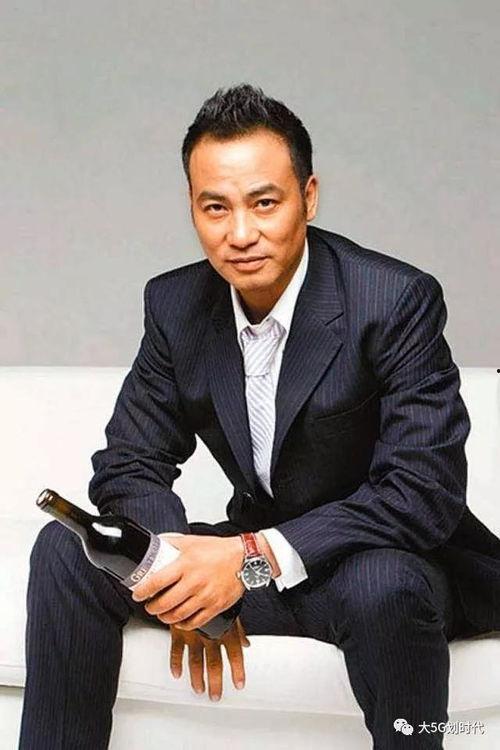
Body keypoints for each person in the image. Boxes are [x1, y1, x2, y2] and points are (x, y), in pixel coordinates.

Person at [19, 83, 500, 750]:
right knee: (65, 552)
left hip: (377, 562)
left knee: (383, 583)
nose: (240, 234)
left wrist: (247, 559)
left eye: (265, 203)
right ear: (192, 207)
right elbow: (131, 462)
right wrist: (171, 576)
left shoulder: (393, 300)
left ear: (309, 196)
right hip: (259, 566)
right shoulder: (176, 305)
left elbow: (423, 492)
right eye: (215, 207)